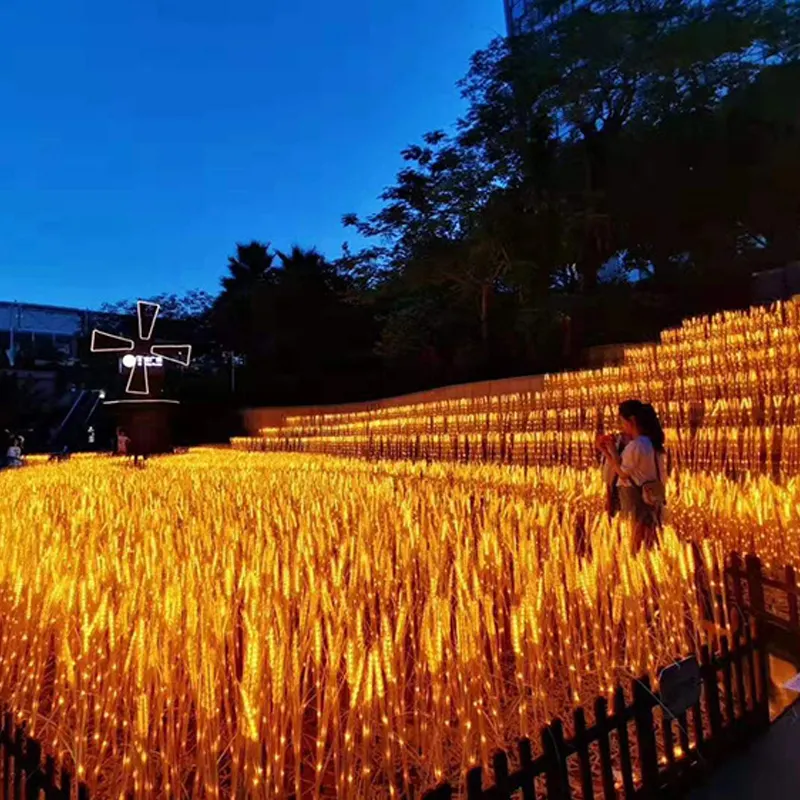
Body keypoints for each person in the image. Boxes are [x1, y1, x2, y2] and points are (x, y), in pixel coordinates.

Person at [598, 400, 667, 550]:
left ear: (632, 421)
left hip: (634, 497)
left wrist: (608, 453)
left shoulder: (637, 445)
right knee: (648, 537)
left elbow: (622, 473)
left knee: (636, 540)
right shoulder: (649, 443)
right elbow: (622, 465)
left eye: (622, 421)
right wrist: (608, 450)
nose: (622, 426)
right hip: (648, 495)